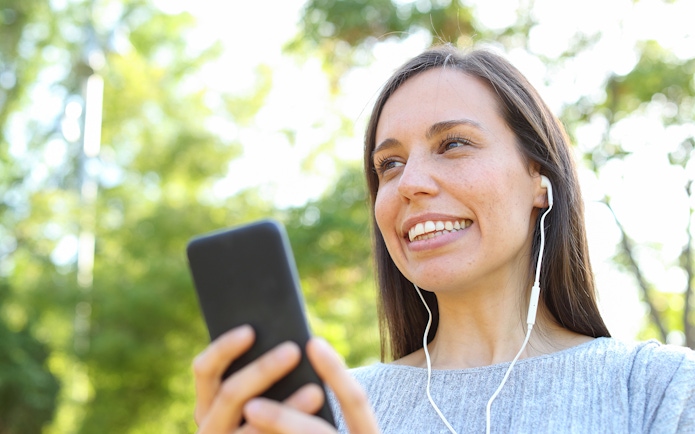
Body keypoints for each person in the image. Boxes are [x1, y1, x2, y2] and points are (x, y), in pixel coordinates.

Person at [192, 45, 695, 433]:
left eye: (453, 144)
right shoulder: (327, 412)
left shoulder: (660, 390)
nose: (409, 183)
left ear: (539, 178)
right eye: (389, 164)